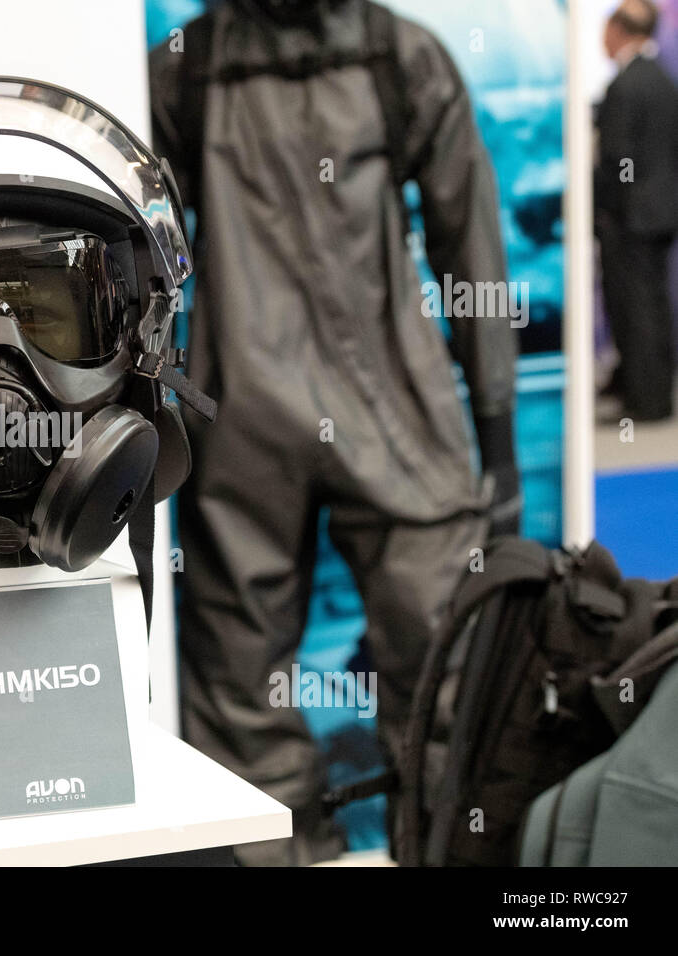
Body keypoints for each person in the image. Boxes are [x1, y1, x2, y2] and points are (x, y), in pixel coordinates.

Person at [149, 0, 520, 864]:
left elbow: (472, 243)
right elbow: (139, 256)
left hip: (353, 406)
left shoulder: (399, 57)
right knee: (245, 688)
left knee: (444, 669)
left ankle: (441, 848)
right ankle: (292, 848)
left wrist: (497, 435)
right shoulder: (186, 69)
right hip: (259, 409)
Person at [596, 0, 678, 422]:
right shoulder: (663, 80)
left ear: (618, 30)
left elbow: (621, 159)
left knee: (638, 308)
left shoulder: (627, 85)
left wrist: (618, 203)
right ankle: (652, 392)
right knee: (654, 306)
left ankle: (644, 400)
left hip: (633, 218)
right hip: (660, 213)